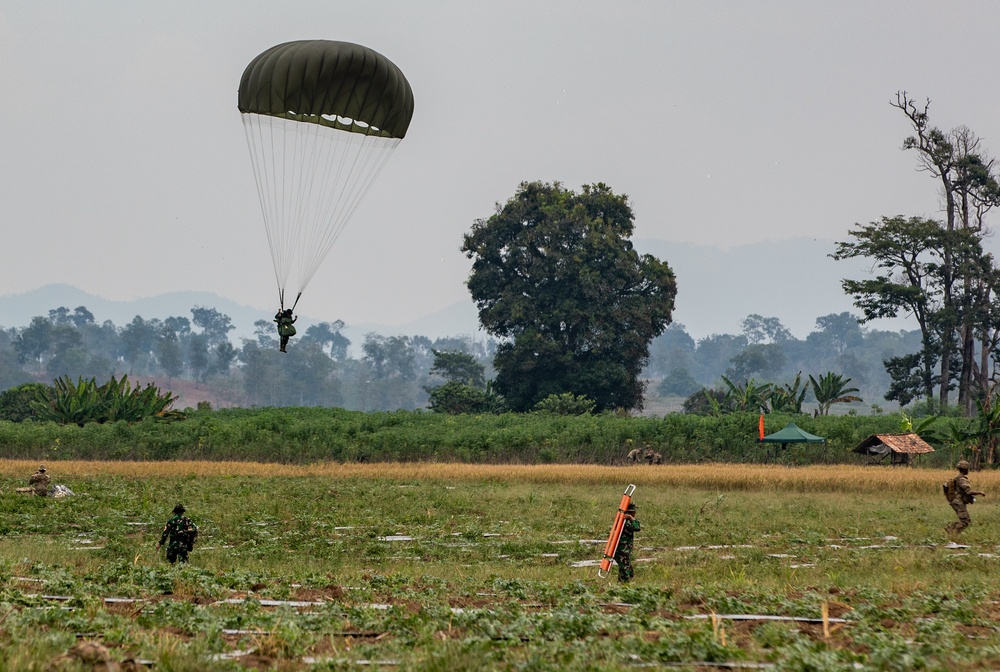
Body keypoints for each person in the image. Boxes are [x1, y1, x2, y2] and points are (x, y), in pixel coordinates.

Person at [946, 460, 986, 536]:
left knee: (964, 520)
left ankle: (950, 530)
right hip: (958, 502)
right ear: (965, 469)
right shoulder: (961, 479)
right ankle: (952, 533)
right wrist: (980, 492)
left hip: (956, 501)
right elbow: (968, 492)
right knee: (965, 521)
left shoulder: (958, 478)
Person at [614, 501, 640, 583]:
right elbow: (637, 528)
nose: (635, 513)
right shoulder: (626, 522)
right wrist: (632, 518)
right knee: (625, 571)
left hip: (624, 550)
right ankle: (623, 586)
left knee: (628, 571)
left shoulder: (623, 520)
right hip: (622, 550)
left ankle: (621, 585)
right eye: (633, 511)